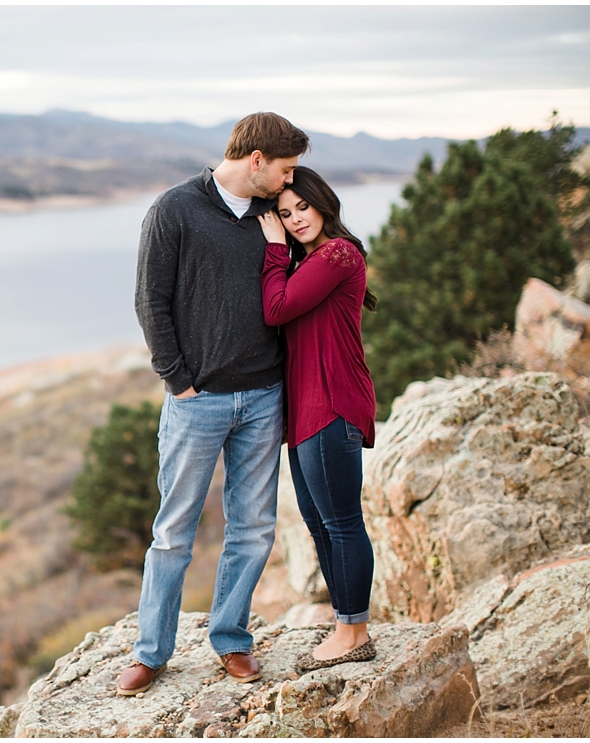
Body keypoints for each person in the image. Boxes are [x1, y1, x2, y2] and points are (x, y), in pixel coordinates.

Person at [121, 112, 310, 696]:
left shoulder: (271, 215)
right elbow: (150, 300)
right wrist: (178, 381)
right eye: (284, 170)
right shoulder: (174, 210)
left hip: (263, 396)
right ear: (256, 160)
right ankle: (151, 653)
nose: (289, 182)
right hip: (196, 402)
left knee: (253, 528)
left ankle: (231, 641)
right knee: (174, 530)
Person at [257, 166, 378, 671]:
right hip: (305, 410)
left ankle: (355, 633)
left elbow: (277, 308)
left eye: (301, 208)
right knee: (319, 523)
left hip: (332, 403)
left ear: (322, 203)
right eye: (284, 215)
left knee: (342, 522)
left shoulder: (337, 254)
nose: (295, 219)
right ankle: (344, 626)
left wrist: (272, 248)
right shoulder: (309, 260)